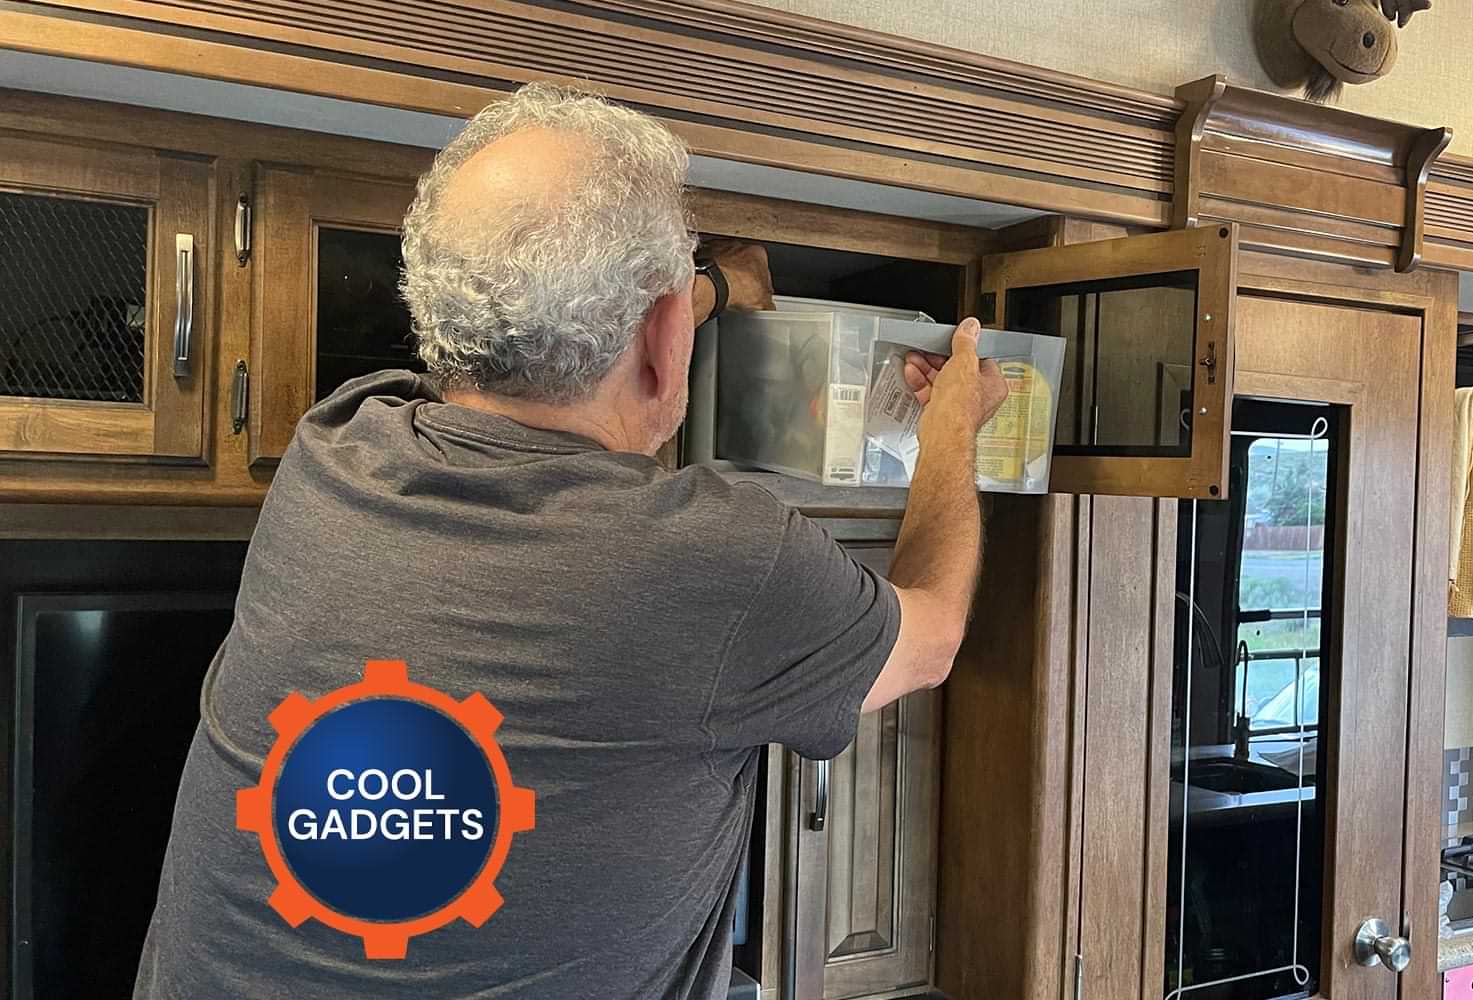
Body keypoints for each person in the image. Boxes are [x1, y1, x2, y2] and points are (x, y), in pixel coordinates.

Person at [134, 82, 1006, 999]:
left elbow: (515, 338)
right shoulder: (714, 559)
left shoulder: (339, 443)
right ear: (664, 335)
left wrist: (702, 289)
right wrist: (952, 424)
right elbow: (933, 633)